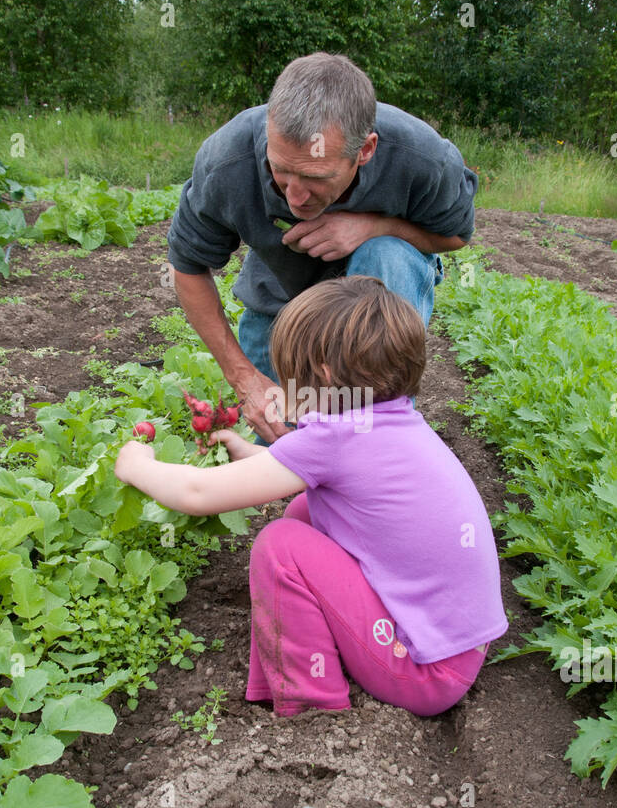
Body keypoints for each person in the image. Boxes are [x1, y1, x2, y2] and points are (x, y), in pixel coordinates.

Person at [113, 276, 508, 718]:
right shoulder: (394, 421)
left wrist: (136, 466)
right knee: (305, 511)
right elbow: (321, 478)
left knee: (281, 547)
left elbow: (196, 492)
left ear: (320, 372)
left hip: (421, 672)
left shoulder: (335, 439)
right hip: (456, 647)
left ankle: (311, 706)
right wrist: (250, 456)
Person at [166, 52, 478, 443]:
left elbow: (456, 235)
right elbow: (187, 265)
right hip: (283, 298)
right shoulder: (227, 161)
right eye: (279, 169)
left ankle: (379, 421)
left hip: (380, 289)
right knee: (281, 439)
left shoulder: (421, 158)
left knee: (386, 253)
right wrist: (245, 379)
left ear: (365, 150)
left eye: (315, 177)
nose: (295, 197)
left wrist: (373, 226)